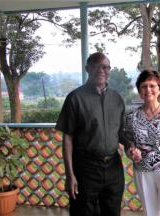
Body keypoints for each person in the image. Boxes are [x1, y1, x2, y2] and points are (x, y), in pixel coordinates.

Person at [55, 52, 125, 216]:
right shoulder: (75, 98)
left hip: (114, 168)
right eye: (96, 66)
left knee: (112, 211)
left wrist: (131, 146)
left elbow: (122, 133)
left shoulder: (117, 98)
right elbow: (67, 138)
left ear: (110, 70)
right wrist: (70, 175)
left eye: (105, 67)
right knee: (83, 212)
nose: (101, 70)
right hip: (85, 168)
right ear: (87, 68)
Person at [124, 70, 160, 216]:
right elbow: (128, 143)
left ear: (159, 89)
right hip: (142, 173)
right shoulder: (132, 116)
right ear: (139, 90)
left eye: (152, 86)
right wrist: (131, 151)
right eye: (144, 86)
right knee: (150, 213)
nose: (148, 90)